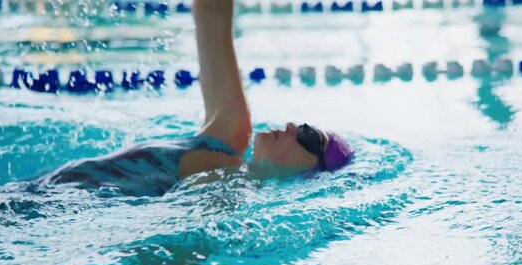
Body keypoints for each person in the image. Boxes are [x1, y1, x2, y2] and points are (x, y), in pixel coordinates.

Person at [40, 0, 353, 196]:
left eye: (309, 137)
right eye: (304, 126)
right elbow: (211, 13)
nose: (292, 126)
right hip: (36, 194)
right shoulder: (225, 137)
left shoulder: (227, 196)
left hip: (41, 210)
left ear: (312, 174)